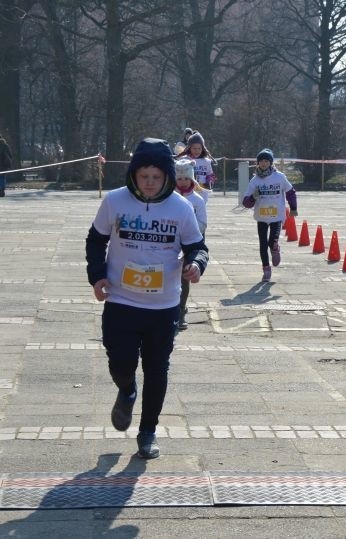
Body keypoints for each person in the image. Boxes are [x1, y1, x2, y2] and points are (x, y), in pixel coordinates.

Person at [85, 137, 209, 459]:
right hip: (121, 301)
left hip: (163, 305)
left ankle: (148, 431)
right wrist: (97, 276)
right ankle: (126, 391)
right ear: (133, 175)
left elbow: (197, 246)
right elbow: (95, 241)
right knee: (120, 363)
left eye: (157, 177)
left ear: (168, 175)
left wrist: (196, 265)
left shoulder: (181, 208)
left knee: (157, 368)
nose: (150, 184)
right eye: (144, 177)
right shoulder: (115, 202)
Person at [242, 148, 298, 282]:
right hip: (261, 217)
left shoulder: (279, 177)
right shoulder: (254, 180)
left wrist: (293, 208)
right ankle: (266, 268)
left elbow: (291, 192)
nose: (263, 163)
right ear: (257, 163)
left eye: (266, 161)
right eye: (261, 161)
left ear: (271, 163)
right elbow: (246, 202)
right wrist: (253, 197)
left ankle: (275, 248)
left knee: (271, 241)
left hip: (277, 216)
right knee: (262, 244)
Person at [174, 158, 208, 330]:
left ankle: (180, 311)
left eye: (186, 178)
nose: (182, 182)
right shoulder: (169, 198)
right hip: (171, 243)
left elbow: (203, 223)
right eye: (179, 179)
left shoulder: (198, 200)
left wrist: (189, 226)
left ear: (192, 179)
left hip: (191, 243)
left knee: (184, 277)